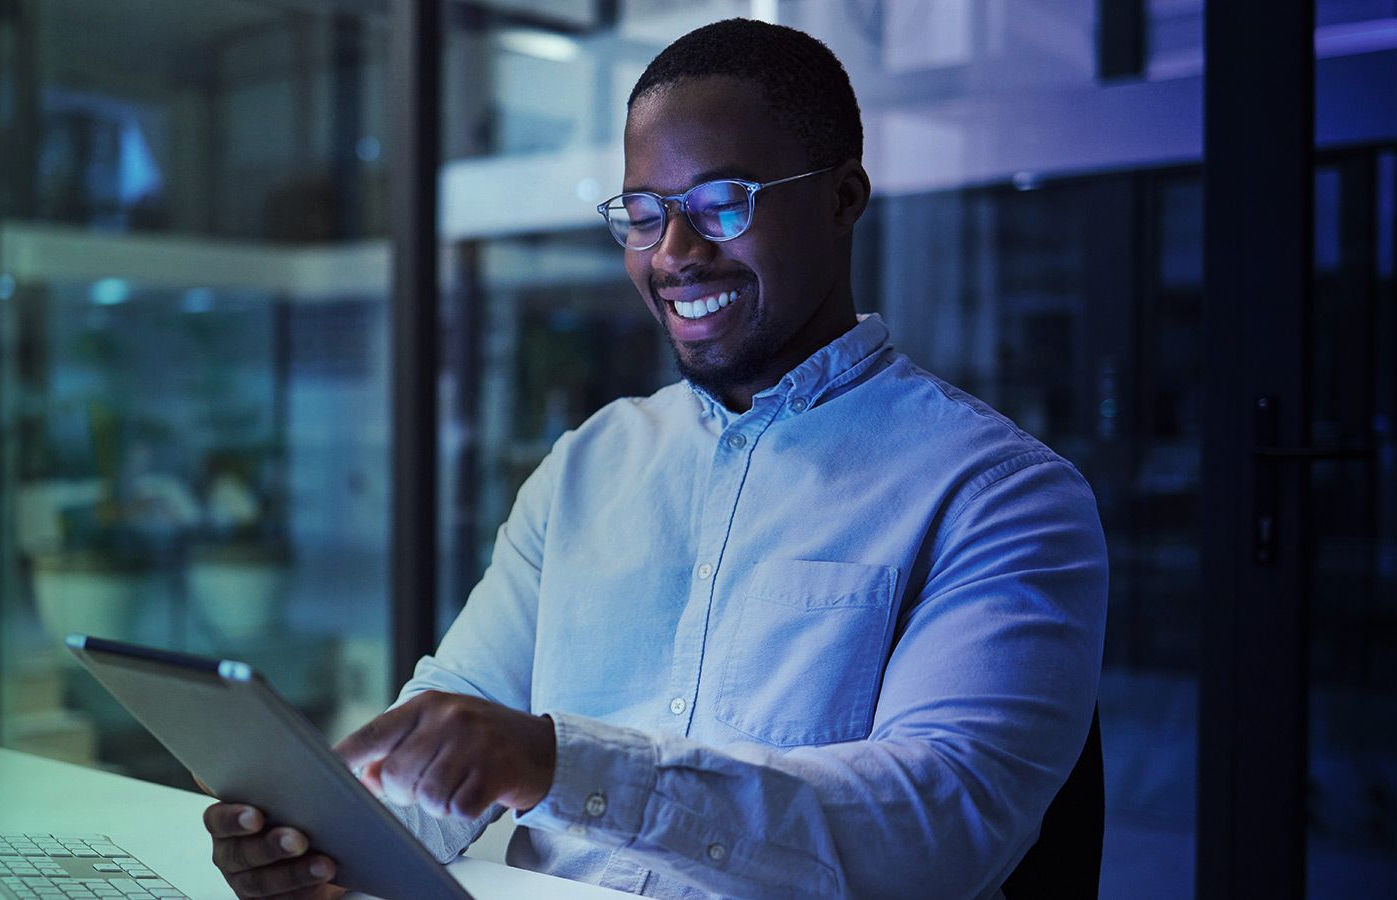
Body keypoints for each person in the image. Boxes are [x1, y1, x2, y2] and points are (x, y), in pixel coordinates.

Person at [200, 17, 1107, 900]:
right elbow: (455, 719)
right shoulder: (587, 465)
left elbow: (935, 829)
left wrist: (559, 763)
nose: (673, 253)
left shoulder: (1001, 495)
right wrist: (323, 842)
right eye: (643, 212)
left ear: (842, 197)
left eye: (723, 203)